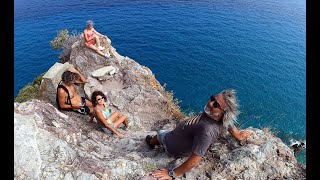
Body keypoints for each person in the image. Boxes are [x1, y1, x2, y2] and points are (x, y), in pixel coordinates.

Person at [145, 89, 252, 179]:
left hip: (172, 145)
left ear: (222, 113)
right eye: (212, 98)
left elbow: (195, 159)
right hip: (180, 138)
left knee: (160, 134)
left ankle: (150, 142)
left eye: (216, 104)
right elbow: (230, 125)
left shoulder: (206, 130)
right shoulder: (219, 118)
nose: (210, 103)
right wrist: (238, 136)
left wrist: (172, 174)